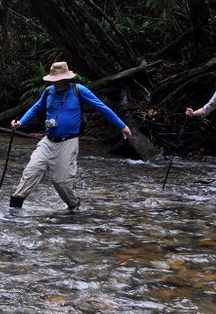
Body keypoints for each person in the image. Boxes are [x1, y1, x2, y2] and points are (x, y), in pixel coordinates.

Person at [8, 61, 132, 212]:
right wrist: (20, 123)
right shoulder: (48, 91)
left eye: (58, 78)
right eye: (54, 78)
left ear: (66, 78)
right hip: (47, 141)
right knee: (30, 172)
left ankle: (74, 207)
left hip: (68, 142)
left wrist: (122, 126)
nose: (56, 81)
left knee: (61, 183)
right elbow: (35, 108)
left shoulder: (79, 90)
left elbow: (101, 107)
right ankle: (12, 215)